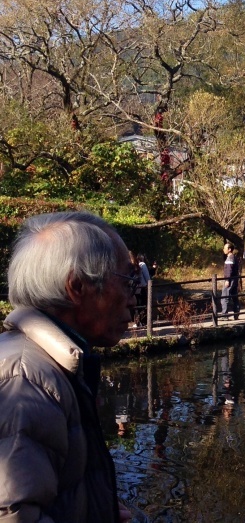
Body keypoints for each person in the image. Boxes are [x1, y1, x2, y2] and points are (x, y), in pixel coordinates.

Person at [0, 211, 134, 522]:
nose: (132, 298)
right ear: (76, 286)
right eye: (127, 281)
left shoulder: (49, 364)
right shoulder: (26, 380)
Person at [221, 243, 241, 318]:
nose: (223, 249)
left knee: (225, 296)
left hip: (230, 279)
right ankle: (236, 314)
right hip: (235, 279)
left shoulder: (230, 258)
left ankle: (225, 315)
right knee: (234, 296)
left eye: (225, 248)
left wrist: (227, 280)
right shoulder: (234, 257)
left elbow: (229, 270)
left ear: (229, 249)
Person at [135, 253, 151, 326]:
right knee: (143, 305)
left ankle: (137, 322)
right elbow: (146, 276)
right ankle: (144, 321)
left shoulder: (134, 265)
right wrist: (149, 284)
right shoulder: (143, 264)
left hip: (135, 288)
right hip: (142, 287)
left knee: (137, 306)